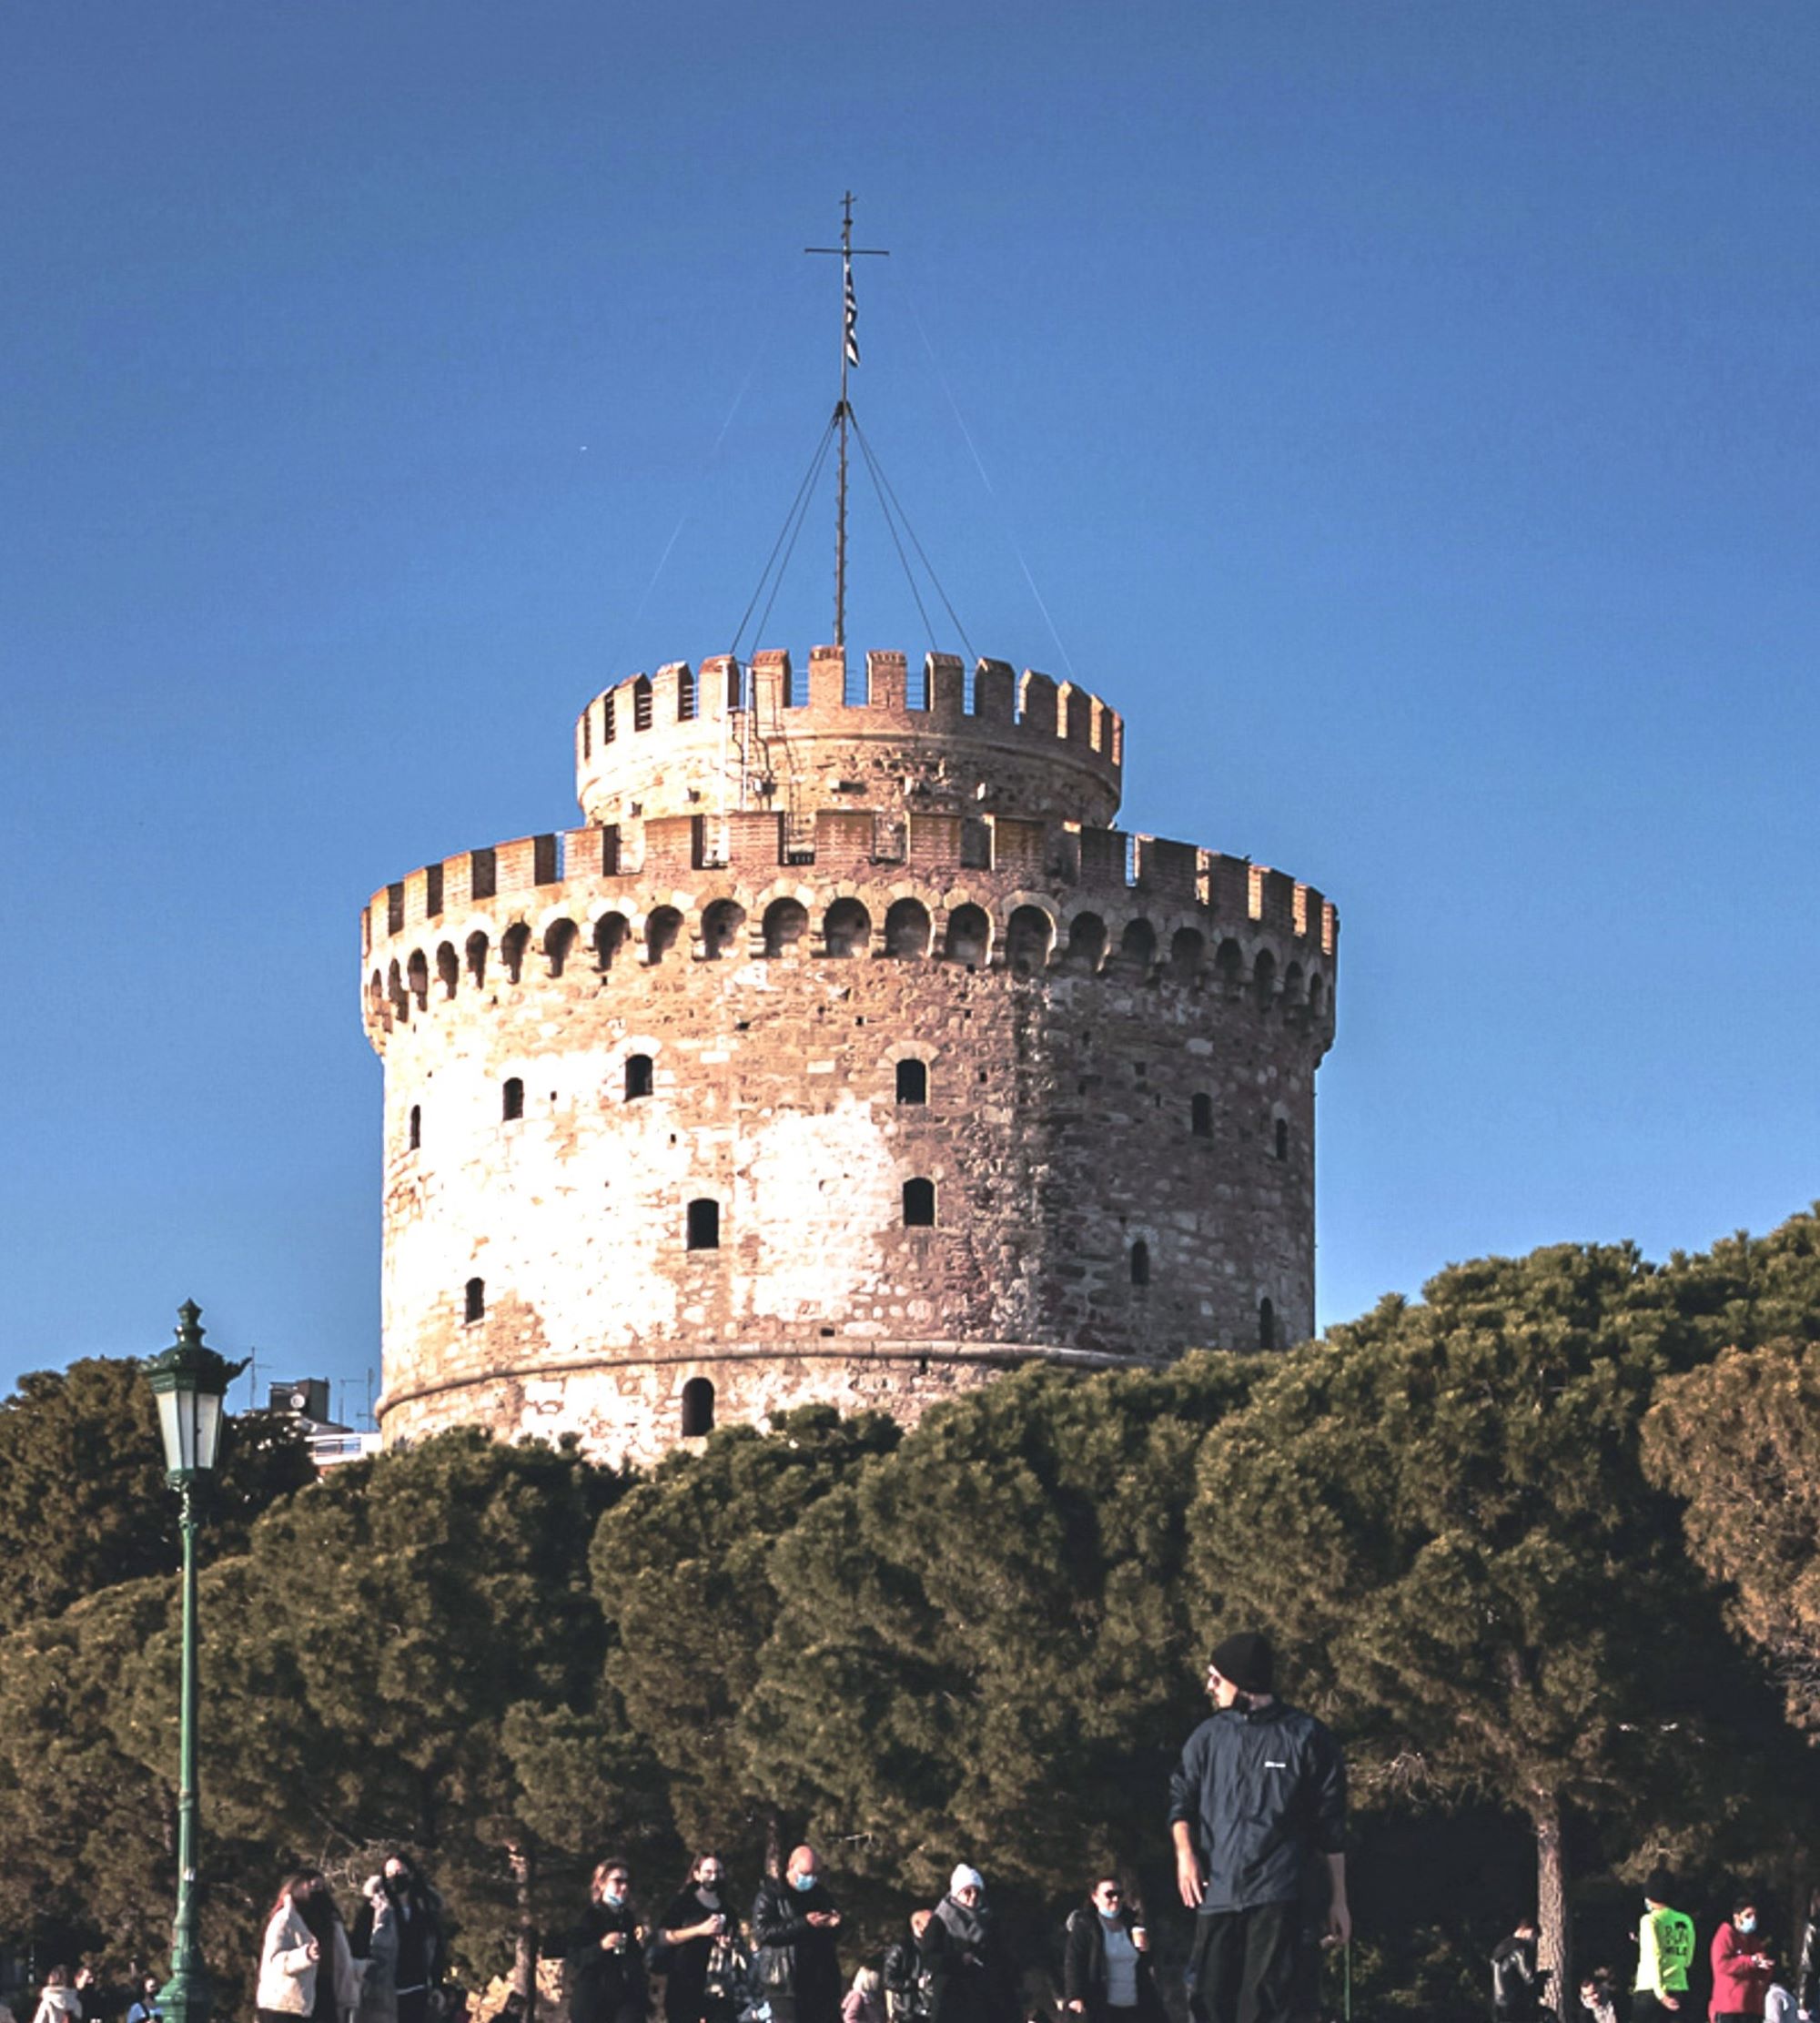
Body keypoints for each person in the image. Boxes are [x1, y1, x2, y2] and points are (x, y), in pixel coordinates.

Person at [1168, 1632, 1349, 2023]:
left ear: (1243, 1681)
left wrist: (1339, 1900)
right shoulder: (1208, 1737)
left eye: (1216, 1678)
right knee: (1208, 2001)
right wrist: (1185, 1853)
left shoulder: (1306, 1736)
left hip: (1277, 1893)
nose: (1210, 1687)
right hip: (1217, 1892)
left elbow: (1331, 1825)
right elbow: (1181, 1797)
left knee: (1265, 2005)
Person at [752, 1846, 844, 2023]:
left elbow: (837, 1934)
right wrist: (804, 1923)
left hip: (821, 1981)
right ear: (791, 1866)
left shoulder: (820, 1894)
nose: (810, 1879)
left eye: (815, 1874)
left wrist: (834, 1924)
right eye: (805, 1873)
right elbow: (763, 1933)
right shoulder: (771, 1896)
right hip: (786, 1984)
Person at [258, 1869, 363, 2023]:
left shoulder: (332, 1922)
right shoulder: (285, 1919)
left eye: (320, 1887)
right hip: (289, 2004)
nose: (317, 1892)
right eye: (312, 1886)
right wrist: (305, 1955)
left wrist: (362, 1969)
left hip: (326, 1995)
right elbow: (274, 1963)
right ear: (296, 1887)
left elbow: (341, 1961)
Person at [919, 1867, 1014, 2023]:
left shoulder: (989, 1919)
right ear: (957, 1893)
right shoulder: (940, 1921)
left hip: (985, 1997)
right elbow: (928, 1957)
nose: (973, 1896)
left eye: (977, 1891)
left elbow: (1002, 1955)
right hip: (950, 1997)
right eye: (967, 1892)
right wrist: (958, 1960)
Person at [1064, 1877, 1163, 2023]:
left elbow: (1144, 1964)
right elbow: (1074, 1962)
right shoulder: (1086, 1927)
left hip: (1135, 2005)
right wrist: (1075, 1996)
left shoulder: (1131, 1924)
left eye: (1119, 1894)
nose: (1115, 1899)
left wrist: (1146, 1950)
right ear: (1095, 1898)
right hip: (1102, 2005)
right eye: (1109, 1894)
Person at [659, 1853, 743, 2023]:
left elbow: (737, 1943)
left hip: (717, 1987)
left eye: (718, 1872)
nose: (713, 1877)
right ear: (697, 1874)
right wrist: (699, 1930)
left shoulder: (728, 1910)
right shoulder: (683, 1903)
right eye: (708, 1872)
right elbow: (663, 1937)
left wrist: (727, 1944)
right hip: (684, 1983)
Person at [567, 1858, 650, 2023]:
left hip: (623, 1994)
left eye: (627, 1882)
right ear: (601, 1884)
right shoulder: (589, 1917)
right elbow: (575, 1957)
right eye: (618, 1881)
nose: (624, 1887)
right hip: (593, 1998)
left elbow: (632, 1959)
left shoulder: (626, 1917)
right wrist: (601, 1946)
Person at [381, 1857, 446, 2023]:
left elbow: (437, 1949)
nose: (394, 1877)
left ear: (410, 1874)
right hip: (382, 1989)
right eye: (388, 1873)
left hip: (417, 1986)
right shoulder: (376, 1909)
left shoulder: (425, 1909)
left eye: (399, 1872)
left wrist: (437, 1985)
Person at [1633, 1873, 1696, 2023]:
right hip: (1680, 1987)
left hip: (1650, 1991)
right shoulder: (1685, 1920)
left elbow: (1653, 1956)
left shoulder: (1650, 1920)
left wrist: (1661, 1994)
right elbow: (1688, 1960)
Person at [1714, 1898, 1775, 2023]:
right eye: (1748, 1915)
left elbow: (1761, 1973)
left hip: (1752, 2008)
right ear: (1737, 1917)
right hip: (1730, 2009)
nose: (1752, 1920)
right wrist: (1752, 1961)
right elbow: (1722, 1965)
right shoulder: (1725, 1935)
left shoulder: (1754, 1941)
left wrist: (1765, 1967)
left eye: (1755, 1916)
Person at [355, 1876, 401, 2023]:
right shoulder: (369, 1909)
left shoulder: (407, 1911)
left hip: (397, 1980)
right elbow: (359, 1939)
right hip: (370, 1978)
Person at [1492, 1920, 1548, 2023]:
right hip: (1516, 2002)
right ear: (1529, 1931)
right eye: (1534, 1937)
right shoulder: (1519, 1948)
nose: (1533, 1941)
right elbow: (1528, 1977)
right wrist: (1543, 1976)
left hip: (1500, 2002)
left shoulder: (1501, 1948)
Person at [883, 1914, 934, 2023]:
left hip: (933, 2009)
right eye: (931, 1922)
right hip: (909, 2012)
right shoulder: (901, 1949)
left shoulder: (938, 1947)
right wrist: (915, 1984)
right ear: (918, 1925)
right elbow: (888, 1980)